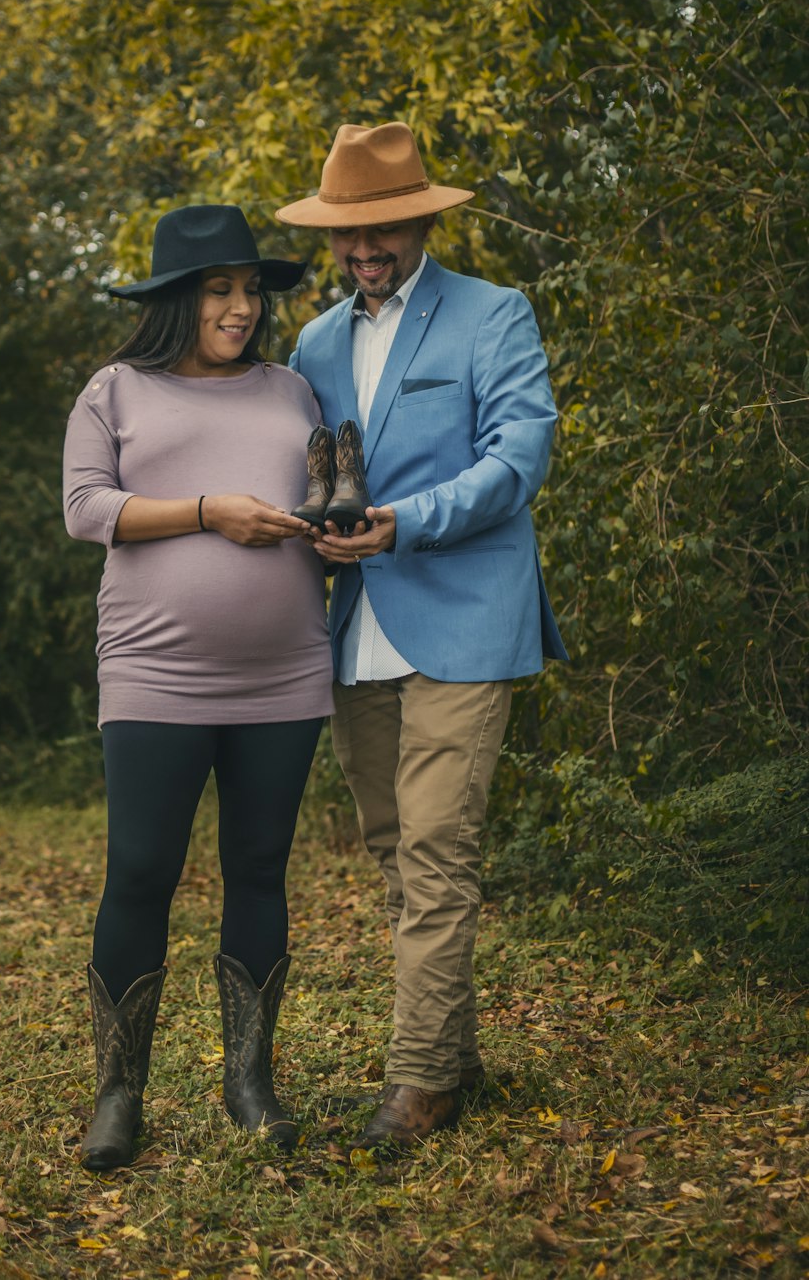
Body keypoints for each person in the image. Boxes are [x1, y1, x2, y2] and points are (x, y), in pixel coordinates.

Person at [277, 123, 567, 1149]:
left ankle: (417, 1085)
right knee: (399, 854)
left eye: (385, 227)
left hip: (465, 616)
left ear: (421, 221)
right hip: (355, 627)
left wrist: (412, 519)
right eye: (350, 233)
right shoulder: (311, 341)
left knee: (440, 849)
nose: (366, 249)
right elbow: (306, 472)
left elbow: (519, 455)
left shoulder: (493, 314)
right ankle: (458, 1055)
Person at [62, 204, 333, 1169]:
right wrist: (211, 512)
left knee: (260, 869)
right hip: (152, 670)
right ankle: (117, 1094)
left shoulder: (295, 391)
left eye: (250, 290)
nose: (241, 307)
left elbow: (323, 504)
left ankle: (249, 1080)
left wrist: (330, 532)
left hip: (286, 672)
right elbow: (86, 508)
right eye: (220, 290)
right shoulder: (116, 389)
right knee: (140, 870)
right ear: (179, 299)